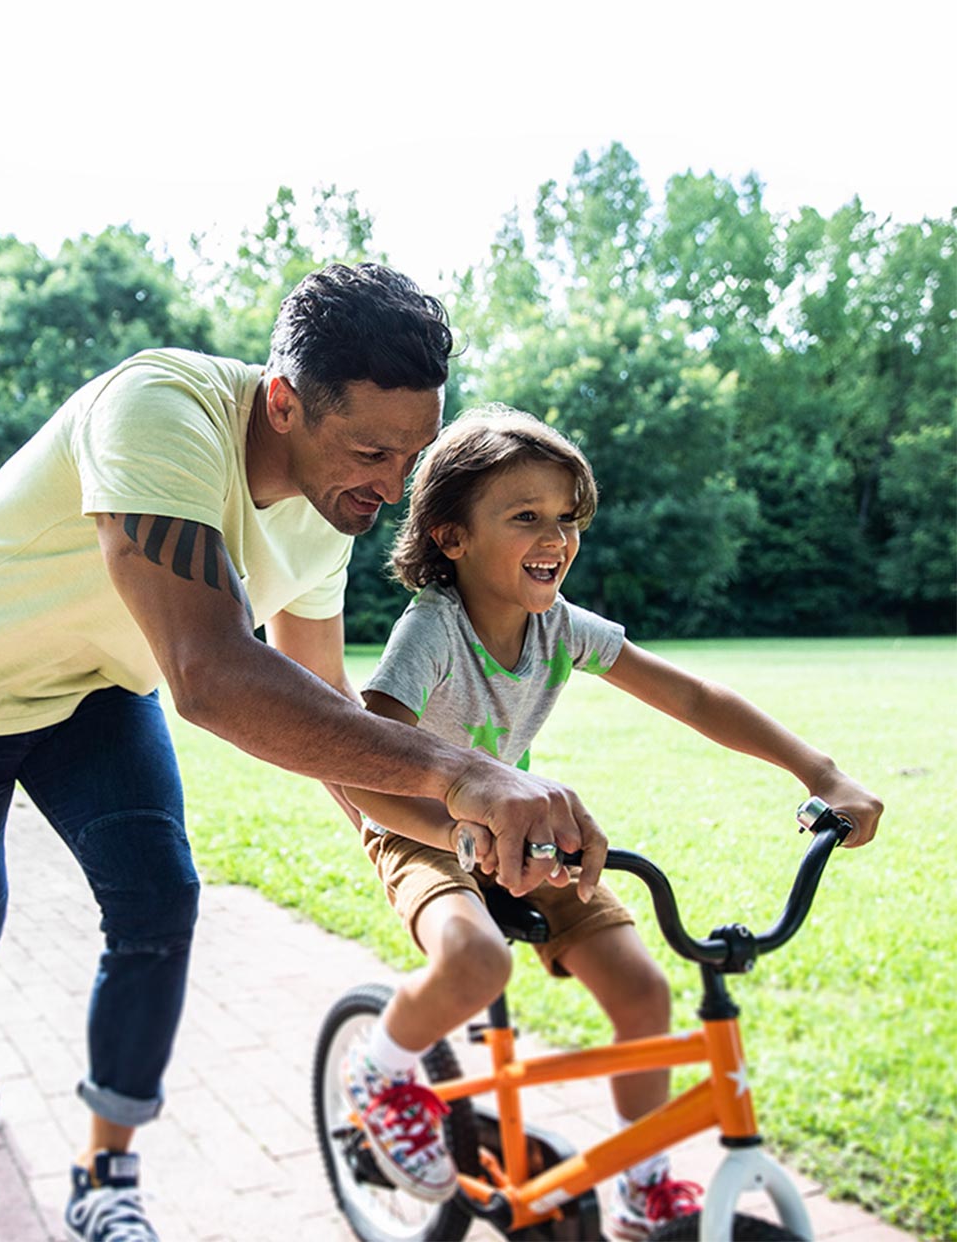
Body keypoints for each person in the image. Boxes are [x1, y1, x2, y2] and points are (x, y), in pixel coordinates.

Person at [0, 264, 610, 1242]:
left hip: (97, 692)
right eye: (369, 450)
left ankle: (105, 1169)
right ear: (281, 401)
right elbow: (210, 672)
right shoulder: (159, 408)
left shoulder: (328, 506)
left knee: (158, 899)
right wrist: (469, 772)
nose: (392, 486)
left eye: (412, 452)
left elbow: (324, 709)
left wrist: (447, 844)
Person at [335, 406, 883, 1240]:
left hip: (522, 826)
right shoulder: (432, 630)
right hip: (419, 827)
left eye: (567, 518)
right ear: (451, 537)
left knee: (644, 990)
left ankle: (641, 1185)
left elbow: (693, 696)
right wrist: (457, 833)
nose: (556, 536)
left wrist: (821, 772)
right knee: (477, 959)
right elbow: (364, 763)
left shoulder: (559, 627)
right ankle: (381, 1073)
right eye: (526, 517)